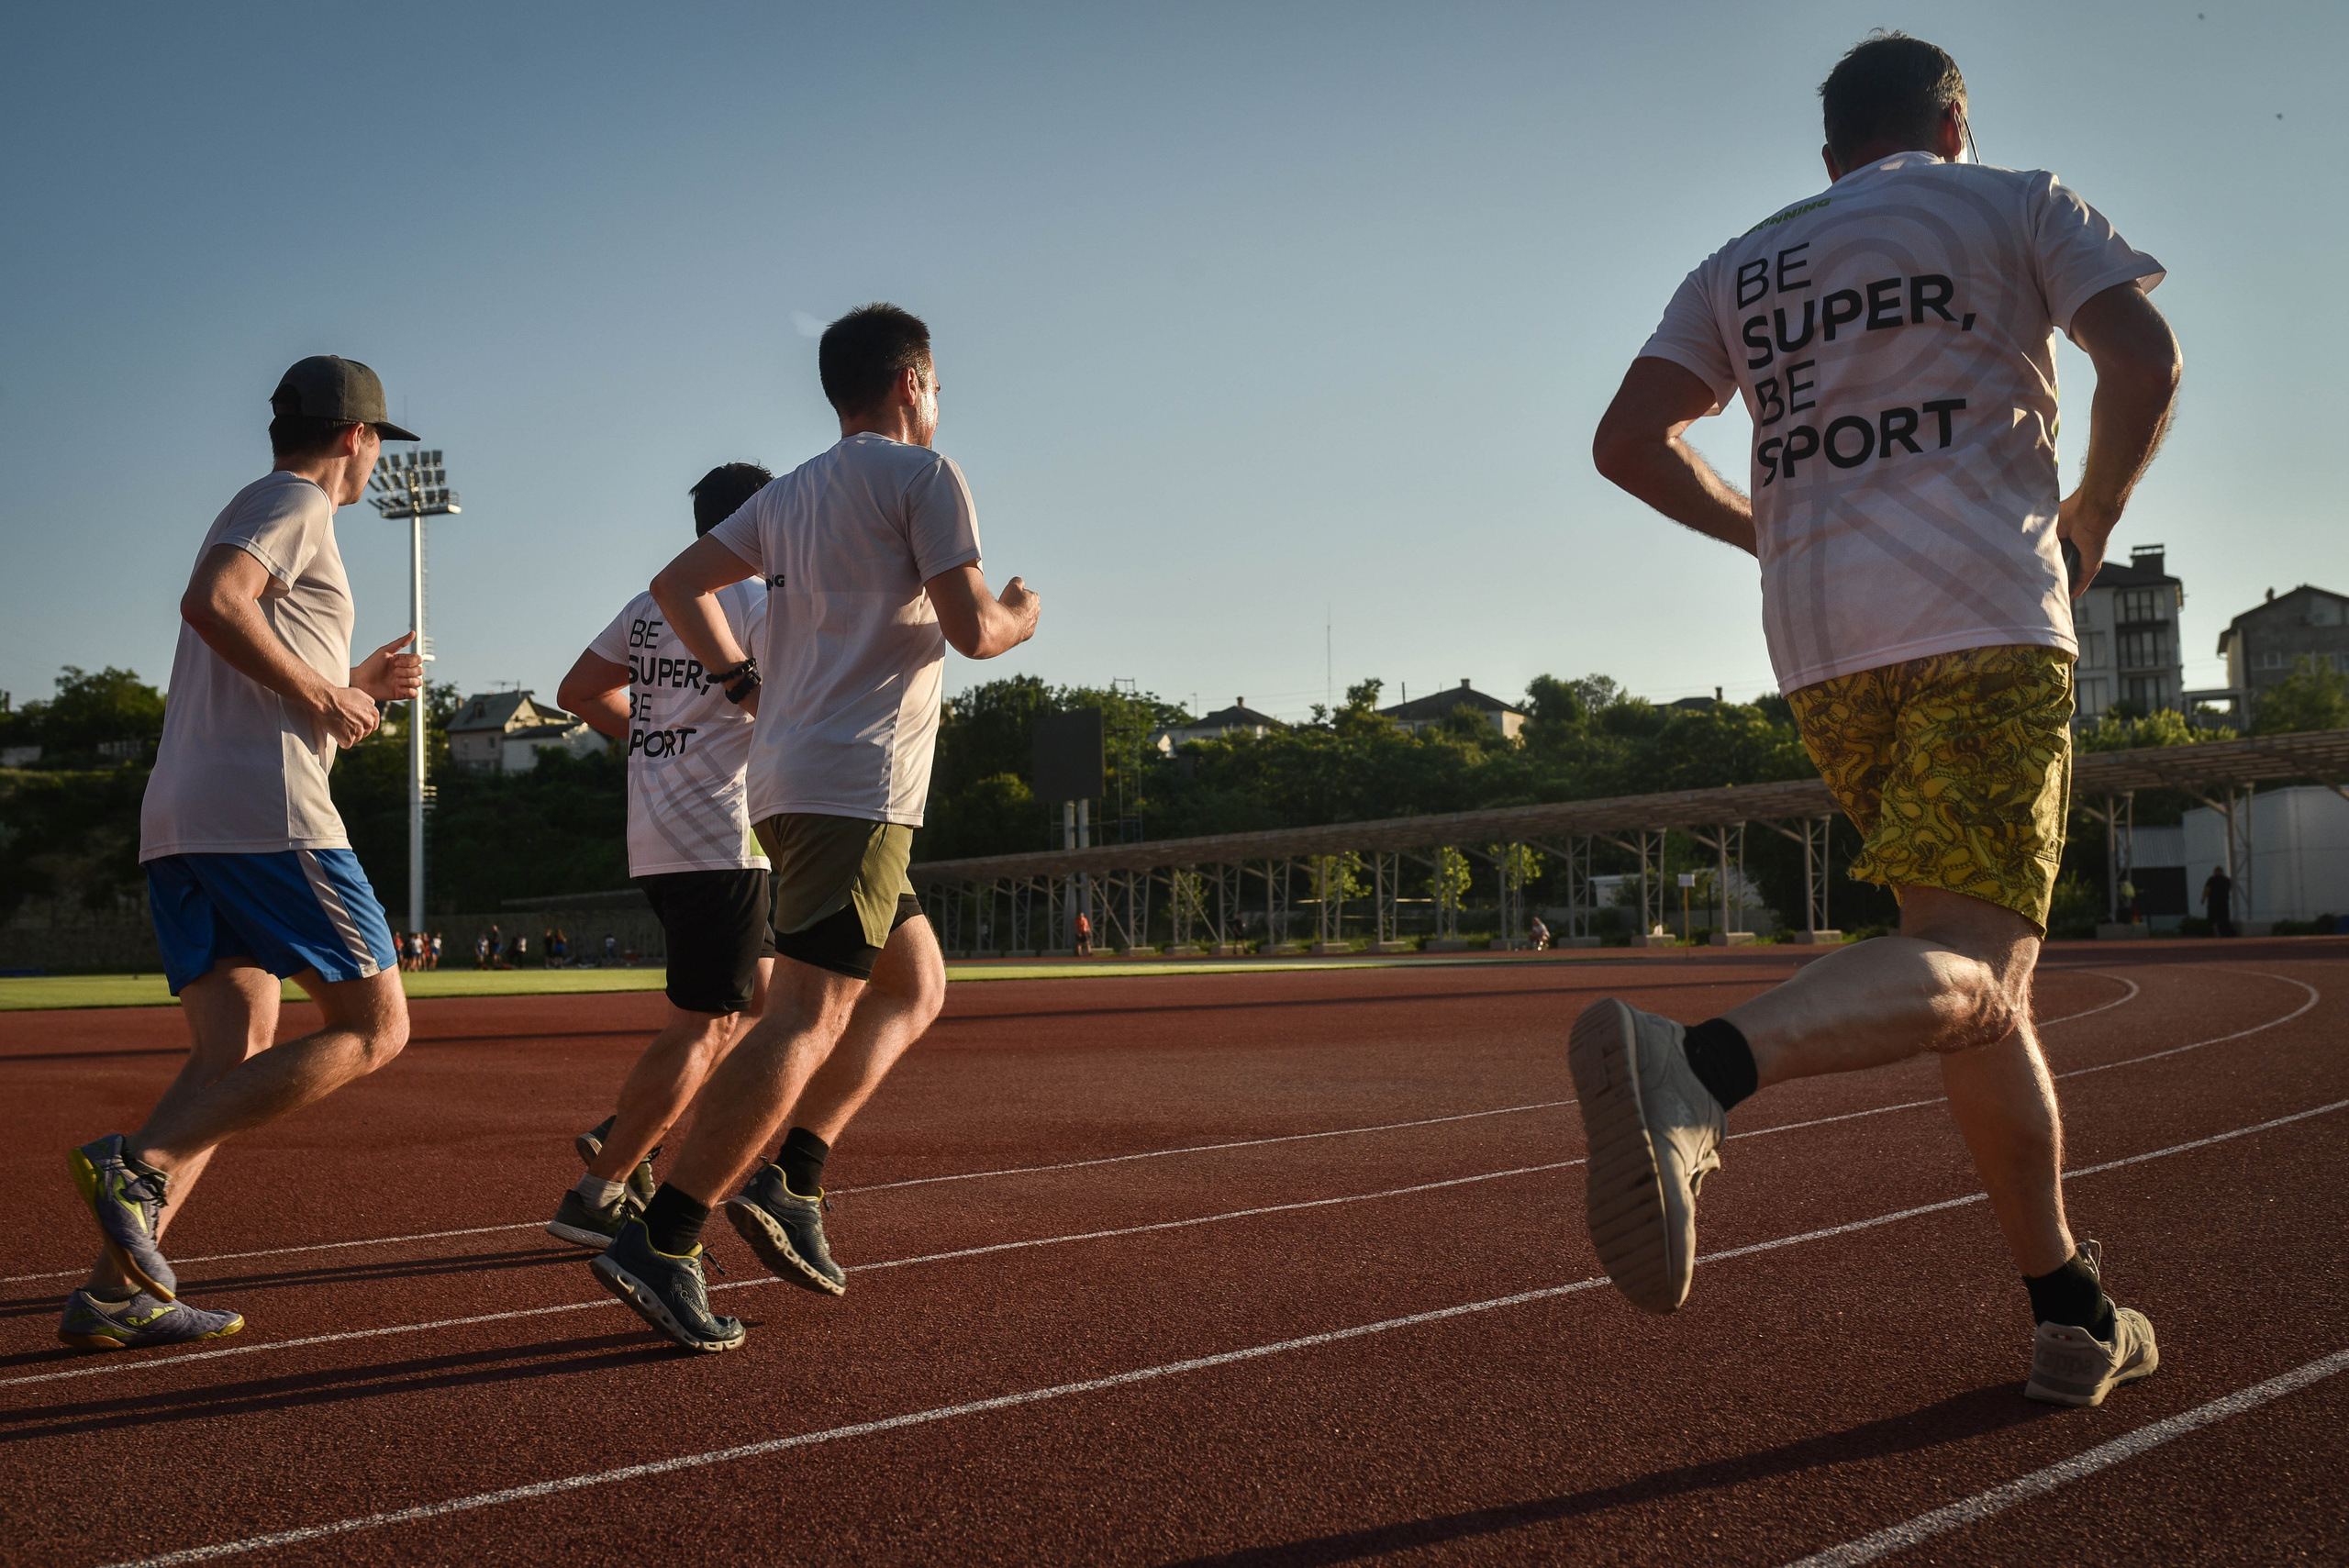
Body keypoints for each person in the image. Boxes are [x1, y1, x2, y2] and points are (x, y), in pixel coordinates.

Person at [1585, 33, 2178, 1409]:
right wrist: (2091, 513)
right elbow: (2142, 357)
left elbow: (1627, 440)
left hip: (1824, 646)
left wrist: (1760, 526)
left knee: (1973, 986)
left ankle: (2069, 1312)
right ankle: (1698, 1070)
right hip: (1981, 615)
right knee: (1974, 957)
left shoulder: (1743, 260)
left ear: (1831, 154)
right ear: (1953, 124)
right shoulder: (2015, 201)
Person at [592, 304, 1041, 1351]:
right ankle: (664, 1235)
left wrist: (743, 678)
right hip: (856, 784)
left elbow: (674, 583)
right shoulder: (924, 477)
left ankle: (794, 1176)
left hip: (789, 784)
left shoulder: (792, 490)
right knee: (805, 1014)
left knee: (913, 981)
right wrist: (1025, 610)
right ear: (913, 379)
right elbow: (974, 630)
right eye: (936, 385)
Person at [61, 355, 423, 1353]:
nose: (375, 463)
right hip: (267, 815)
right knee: (378, 1027)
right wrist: (324, 695)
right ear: (356, 437)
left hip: (188, 814)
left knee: (237, 1041)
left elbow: (245, 648)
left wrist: (352, 683)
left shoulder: (269, 501)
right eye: (377, 444)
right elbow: (215, 600)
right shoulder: (294, 501)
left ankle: (116, 1289)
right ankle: (143, 1162)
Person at [540, 462, 782, 1251]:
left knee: (769, 1004)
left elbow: (578, 690)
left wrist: (658, 741)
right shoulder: (763, 601)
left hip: (658, 834)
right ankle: (599, 1190)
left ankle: (634, 1126)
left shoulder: (652, 605)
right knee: (707, 1025)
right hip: (723, 837)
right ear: (758, 518)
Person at [2202, 865, 2235, 938]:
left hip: (2213, 902)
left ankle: (2217, 934)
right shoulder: (2227, 880)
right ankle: (2225, 933)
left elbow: (2207, 890)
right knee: (2224, 918)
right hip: (2224, 903)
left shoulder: (2212, 879)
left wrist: (2203, 899)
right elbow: (2229, 889)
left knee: (2213, 919)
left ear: (2215, 872)